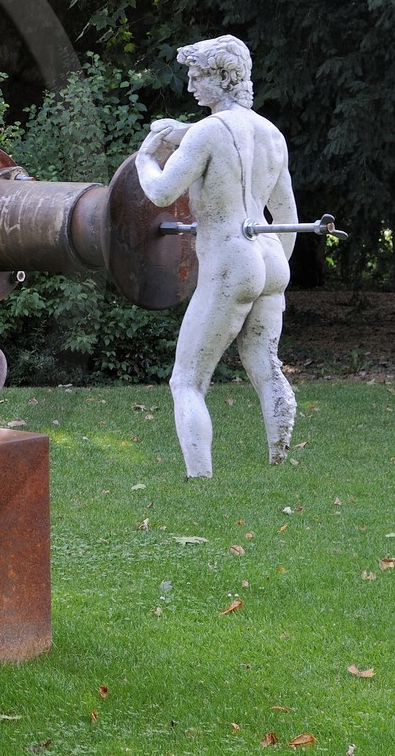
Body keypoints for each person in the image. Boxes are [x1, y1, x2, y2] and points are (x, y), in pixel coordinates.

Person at [136, 35, 298, 478]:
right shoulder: (271, 133)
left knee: (186, 380)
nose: (189, 85)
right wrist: (273, 271)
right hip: (270, 255)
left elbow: (162, 191)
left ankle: (199, 479)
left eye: (196, 75)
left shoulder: (208, 132)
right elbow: (286, 212)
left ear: (220, 77)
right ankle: (279, 462)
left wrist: (144, 158)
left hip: (231, 257)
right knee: (266, 365)